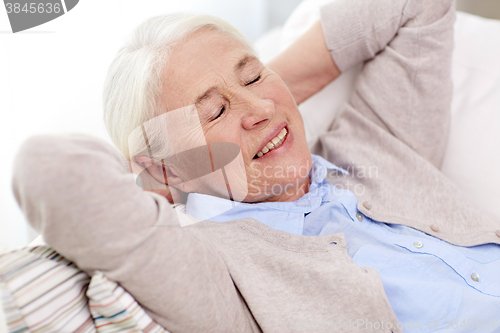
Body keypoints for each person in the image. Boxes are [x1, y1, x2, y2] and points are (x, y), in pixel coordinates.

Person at [12, 0, 500, 332]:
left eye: (253, 73)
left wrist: (268, 92)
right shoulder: (217, 272)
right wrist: (159, 173)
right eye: (214, 112)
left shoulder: (375, 143)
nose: (260, 109)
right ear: (165, 172)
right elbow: (47, 169)